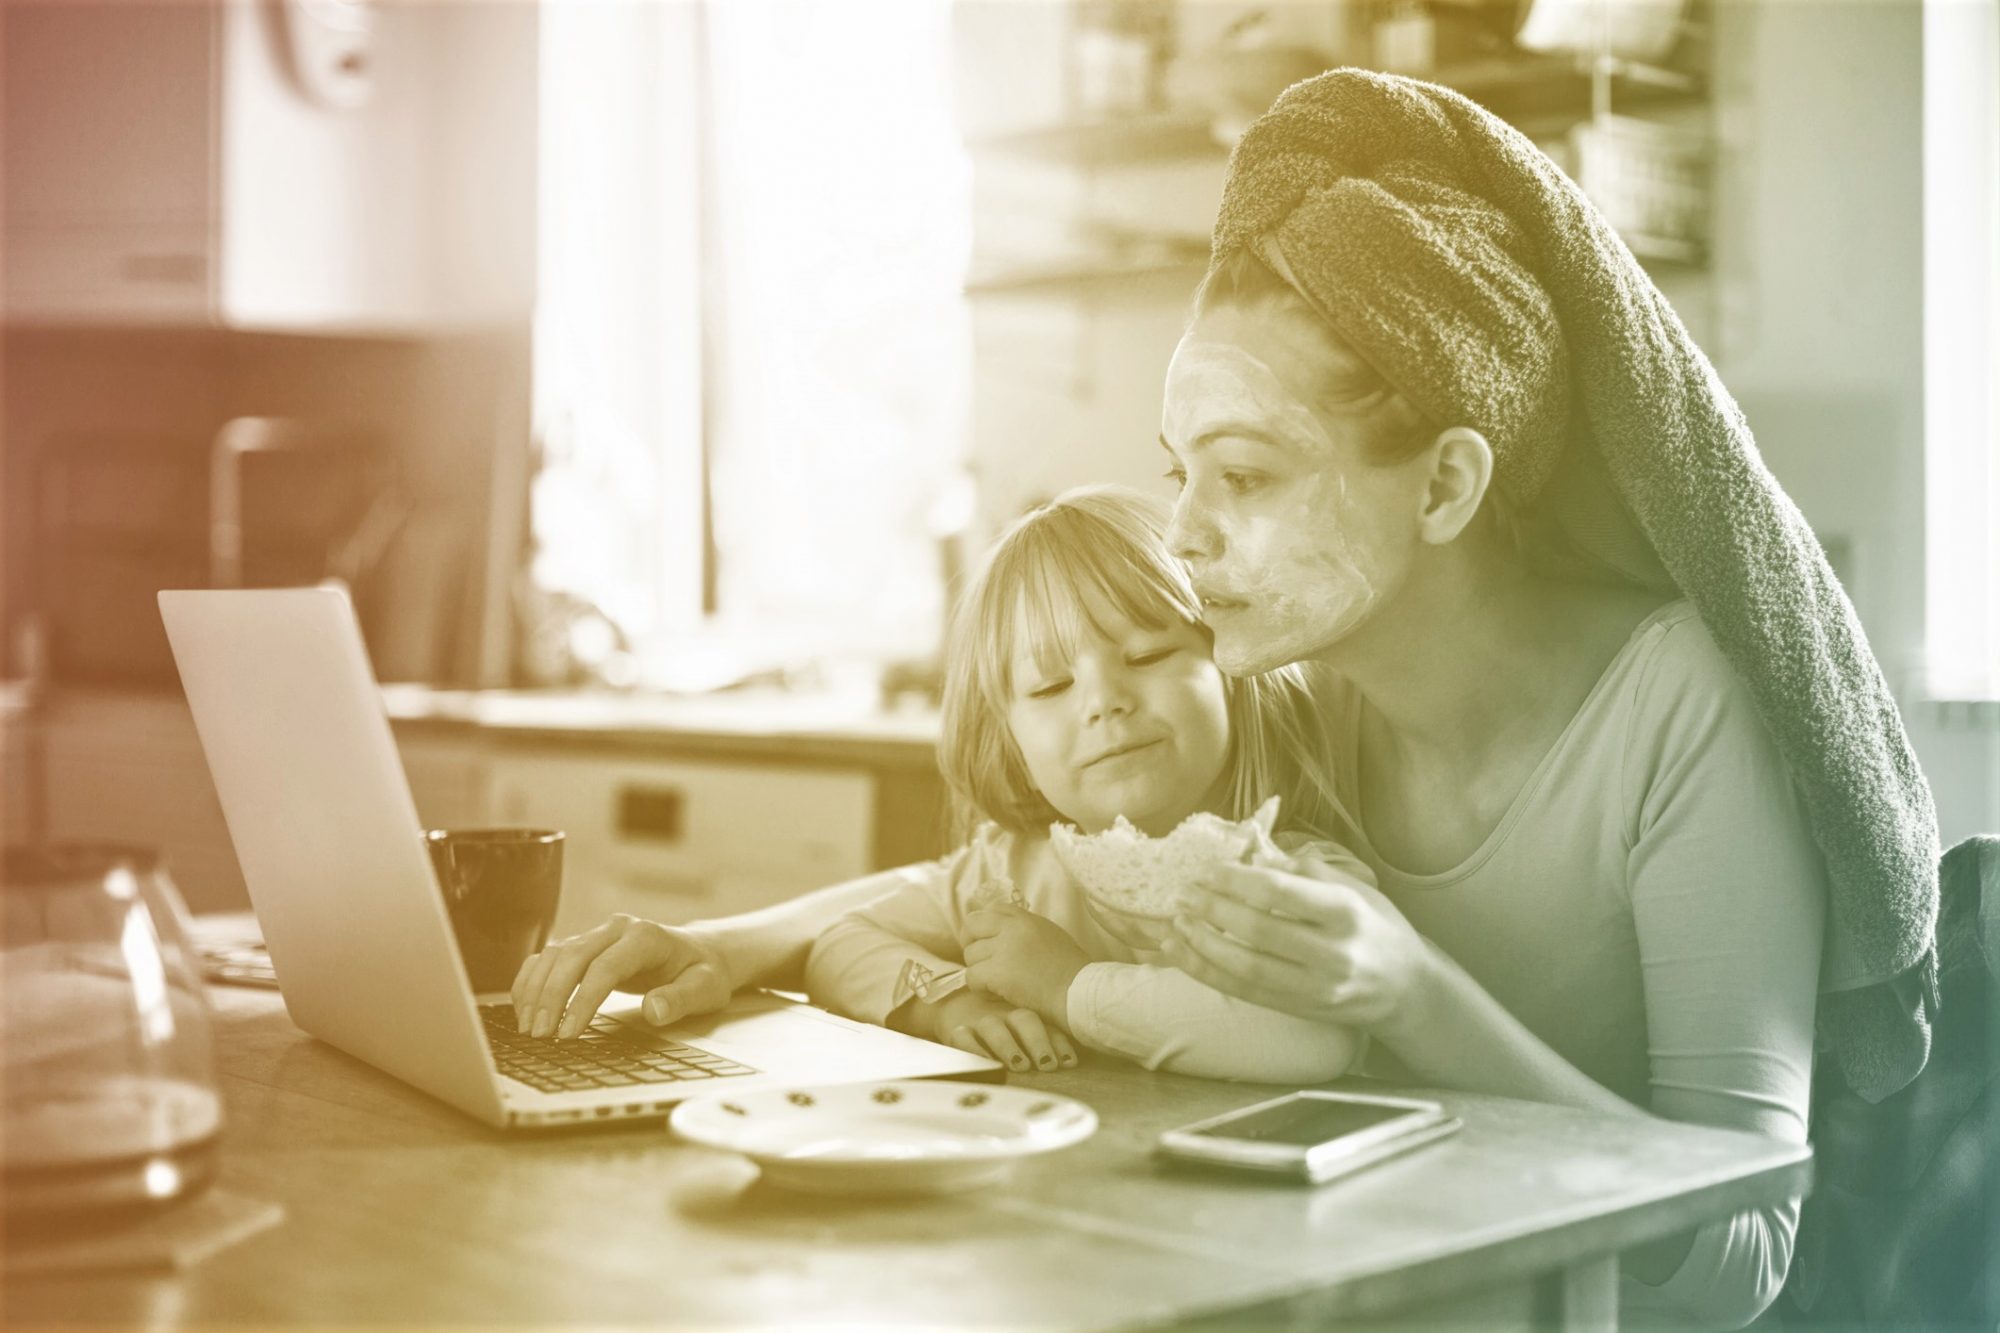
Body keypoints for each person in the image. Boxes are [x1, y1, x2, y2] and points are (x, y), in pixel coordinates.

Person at [515, 69, 1941, 1330]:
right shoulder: (1300, 701)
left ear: (1447, 483)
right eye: (1179, 467)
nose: (1183, 536)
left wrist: (1410, 992)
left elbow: (1741, 1255)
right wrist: (724, 946)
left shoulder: (1678, 716)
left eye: (1245, 476)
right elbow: (996, 882)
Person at [802, 485, 1364, 1082]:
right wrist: (947, 1003)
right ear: (1009, 740)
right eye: (1050, 687)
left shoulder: (1293, 875)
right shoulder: (1015, 873)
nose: (1104, 702)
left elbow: (1311, 1039)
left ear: (1233, 674)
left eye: (1147, 656)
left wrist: (1067, 987)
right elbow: (843, 943)